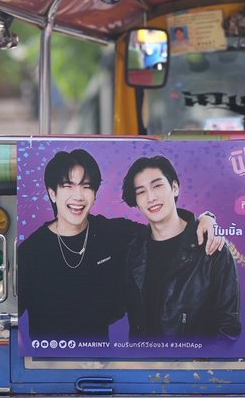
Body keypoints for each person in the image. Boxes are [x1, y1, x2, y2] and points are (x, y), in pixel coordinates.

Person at [17, 148, 221, 349]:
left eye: (86, 187)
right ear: (52, 193)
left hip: (98, 361)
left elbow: (164, 229)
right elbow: (10, 314)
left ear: (95, 194)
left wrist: (205, 219)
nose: (78, 196)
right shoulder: (31, 251)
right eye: (68, 186)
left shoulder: (113, 233)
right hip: (47, 363)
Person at [121, 154, 241, 342]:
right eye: (141, 192)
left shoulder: (211, 248)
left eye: (157, 186)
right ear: (136, 201)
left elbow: (228, 327)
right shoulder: (134, 250)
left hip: (195, 360)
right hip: (143, 359)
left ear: (175, 187)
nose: (151, 197)